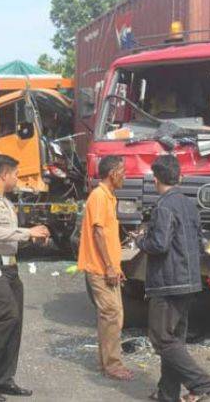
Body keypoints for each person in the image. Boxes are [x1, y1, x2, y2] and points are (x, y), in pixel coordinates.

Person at [0, 154, 50, 401]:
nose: (17, 178)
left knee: (16, 322)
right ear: (4, 174)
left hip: (8, 268)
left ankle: (4, 378)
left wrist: (33, 236)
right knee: (7, 316)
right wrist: (28, 232)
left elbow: (8, 236)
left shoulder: (4, 201)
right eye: (15, 173)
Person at [135, 155, 210, 402]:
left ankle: (201, 384)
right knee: (174, 340)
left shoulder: (164, 206)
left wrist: (140, 240)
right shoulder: (189, 204)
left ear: (156, 179)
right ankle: (167, 393)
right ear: (179, 177)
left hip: (169, 281)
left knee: (161, 338)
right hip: (189, 279)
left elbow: (159, 244)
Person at [77, 155, 134, 381]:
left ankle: (107, 361)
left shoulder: (108, 196)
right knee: (111, 315)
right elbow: (98, 232)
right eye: (124, 171)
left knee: (113, 316)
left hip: (108, 268)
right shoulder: (99, 196)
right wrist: (110, 266)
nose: (126, 175)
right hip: (100, 268)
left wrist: (115, 266)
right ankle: (112, 365)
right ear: (113, 173)